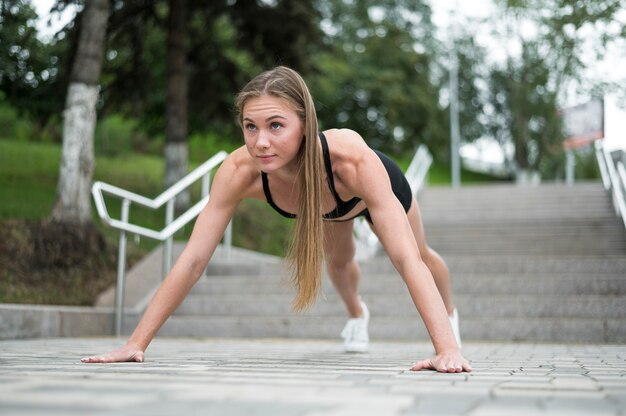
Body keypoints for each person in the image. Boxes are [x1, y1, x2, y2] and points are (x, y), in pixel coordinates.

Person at [82, 66, 471, 373]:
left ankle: (449, 317)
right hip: (328, 206)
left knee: (419, 252)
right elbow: (194, 259)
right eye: (250, 127)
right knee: (338, 261)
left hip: (368, 188)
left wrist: (446, 350)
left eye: (276, 126)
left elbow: (405, 260)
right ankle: (357, 314)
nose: (260, 142)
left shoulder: (351, 160)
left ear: (305, 124)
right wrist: (136, 343)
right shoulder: (241, 171)